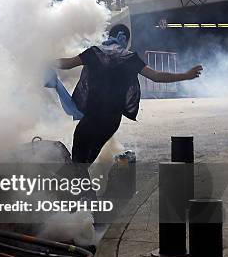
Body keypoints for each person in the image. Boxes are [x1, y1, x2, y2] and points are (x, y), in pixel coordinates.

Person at [53, 25, 203, 165]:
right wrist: (186, 75)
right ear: (126, 41)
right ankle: (83, 190)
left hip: (92, 117)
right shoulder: (131, 58)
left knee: (78, 163)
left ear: (109, 36)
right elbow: (157, 76)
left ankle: (80, 191)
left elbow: (67, 64)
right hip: (112, 120)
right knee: (86, 162)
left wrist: (44, 62)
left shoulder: (94, 52)